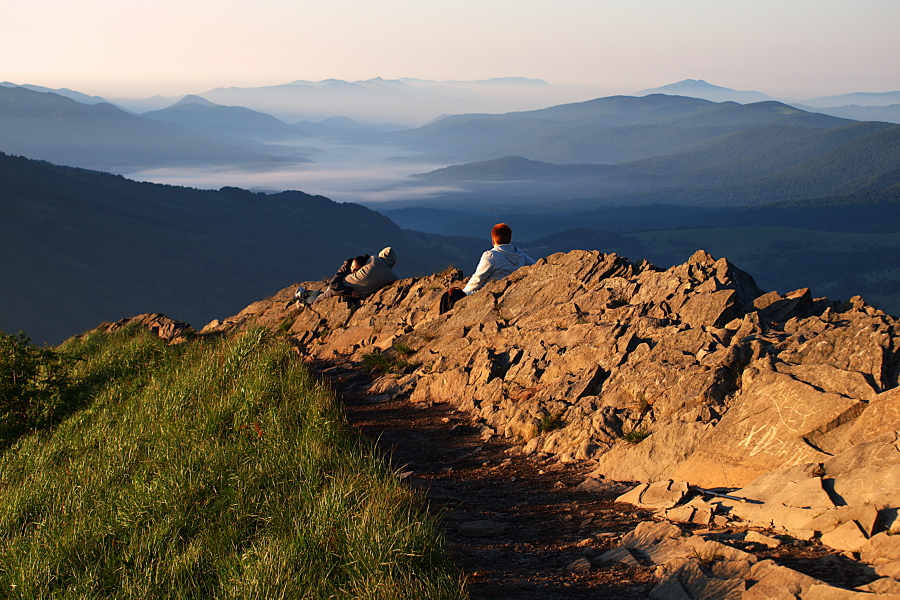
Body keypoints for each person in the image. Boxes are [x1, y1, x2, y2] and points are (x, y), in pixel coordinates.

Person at [462, 223, 535, 295]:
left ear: (493, 240)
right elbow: (535, 265)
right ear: (509, 238)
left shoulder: (491, 256)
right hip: (515, 291)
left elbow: (477, 280)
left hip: (492, 292)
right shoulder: (519, 254)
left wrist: (463, 292)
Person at [314, 247, 399, 304]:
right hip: (348, 291)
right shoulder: (392, 276)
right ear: (394, 262)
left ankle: (308, 300)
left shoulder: (372, 259)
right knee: (319, 297)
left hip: (340, 286)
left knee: (319, 299)